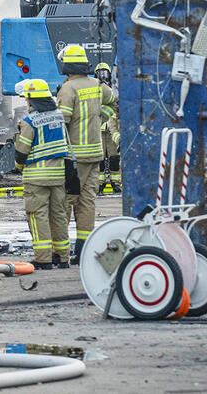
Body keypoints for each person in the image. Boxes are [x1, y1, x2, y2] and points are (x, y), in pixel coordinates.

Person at [55, 45, 117, 265]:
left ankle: (60, 252)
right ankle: (83, 250)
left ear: (66, 65)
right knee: (87, 202)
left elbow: (62, 123)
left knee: (66, 202)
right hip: (95, 153)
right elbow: (113, 101)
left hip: (75, 157)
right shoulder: (97, 85)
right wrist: (100, 118)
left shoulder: (68, 89)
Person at [14, 78, 72, 270]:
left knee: (38, 216)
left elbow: (21, 151)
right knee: (58, 215)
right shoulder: (58, 116)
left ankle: (43, 258)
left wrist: (18, 166)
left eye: (27, 100)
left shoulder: (30, 121)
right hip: (58, 176)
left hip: (36, 178)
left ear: (33, 100)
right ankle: (63, 257)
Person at [94, 62, 122, 195]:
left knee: (114, 157)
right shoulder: (94, 89)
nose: (103, 76)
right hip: (98, 128)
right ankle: (99, 185)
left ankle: (115, 183)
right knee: (100, 158)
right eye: (100, 73)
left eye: (105, 73)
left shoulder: (113, 90)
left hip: (111, 128)